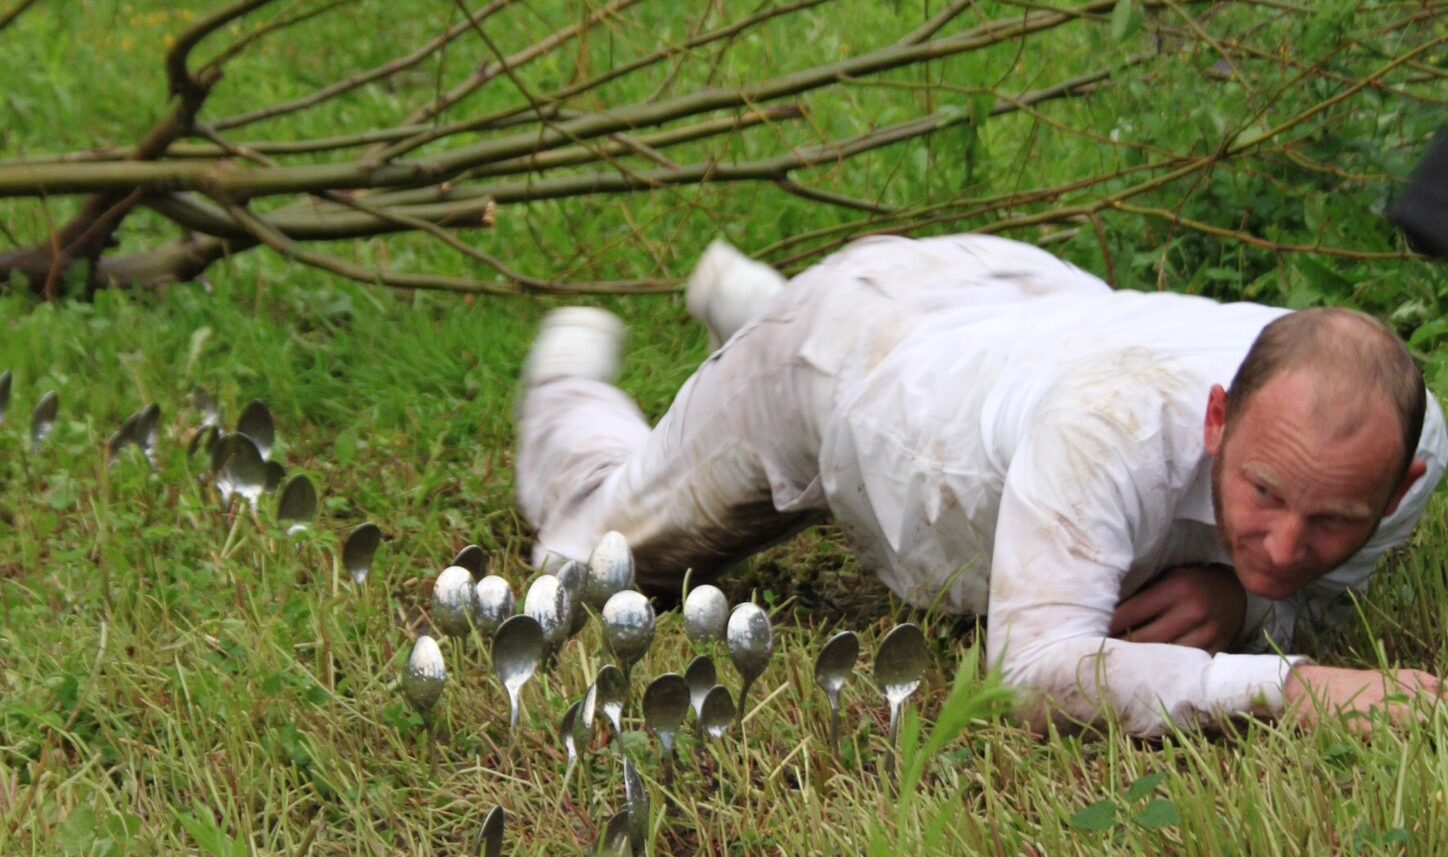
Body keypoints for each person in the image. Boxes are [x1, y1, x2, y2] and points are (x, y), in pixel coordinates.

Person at [514, 233, 1448, 736]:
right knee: (588, 555)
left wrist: (1242, 595)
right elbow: (1036, 672)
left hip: (1014, 306)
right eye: (1264, 495)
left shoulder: (1409, 445)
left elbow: (1302, 582)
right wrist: (1292, 686)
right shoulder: (1110, 424)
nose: (1289, 547)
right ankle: (573, 387)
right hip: (836, 365)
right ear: (1216, 419)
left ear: (1400, 481)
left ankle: (756, 306)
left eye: (1334, 520)